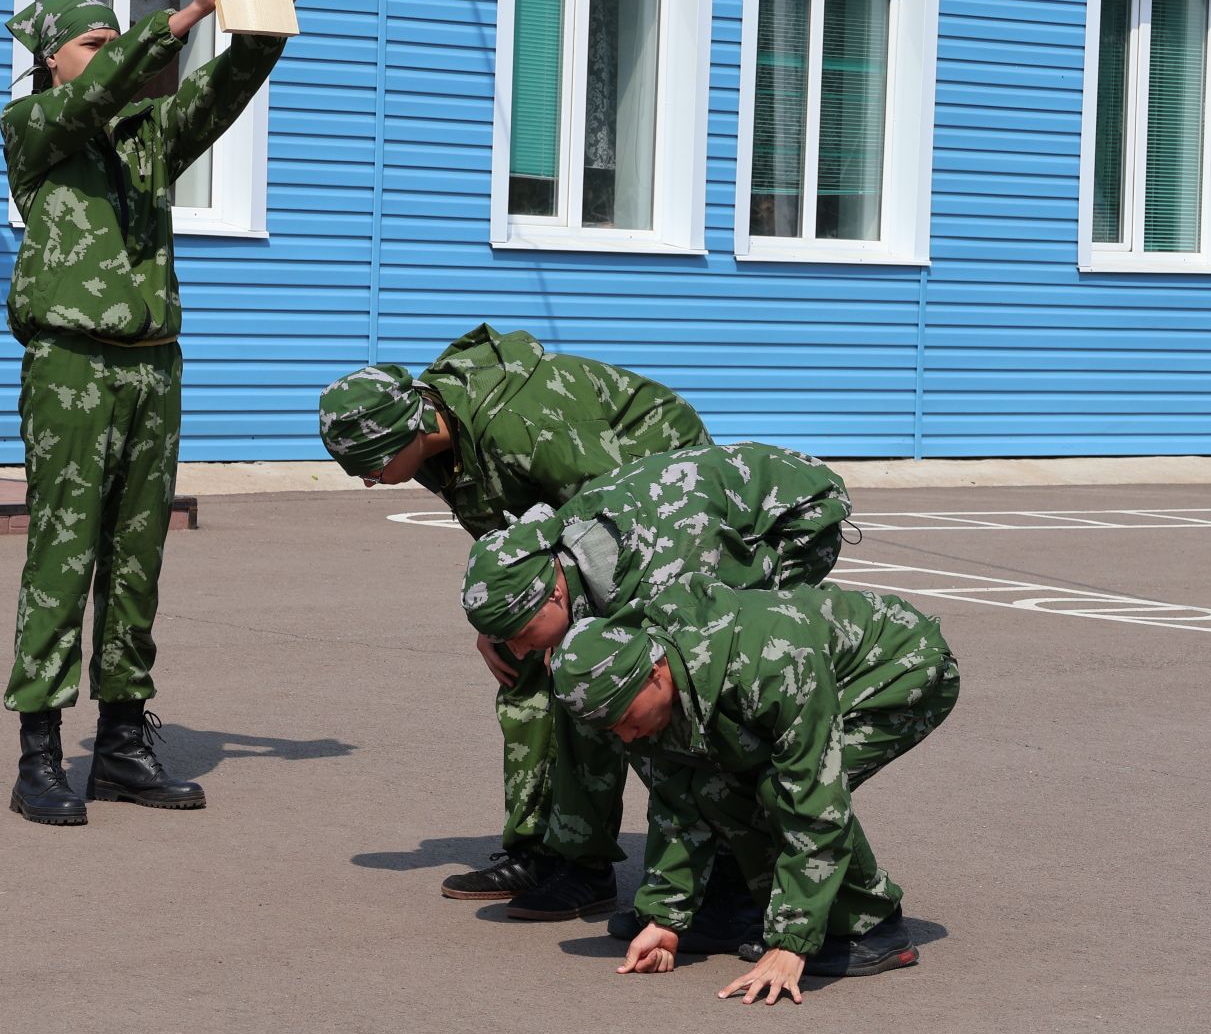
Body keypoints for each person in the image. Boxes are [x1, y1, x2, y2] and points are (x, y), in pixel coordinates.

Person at [2, 0, 305, 826]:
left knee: (137, 561)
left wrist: (257, 11)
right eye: (92, 42)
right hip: (70, 366)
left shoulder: (147, 139)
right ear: (52, 61)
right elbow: (97, 94)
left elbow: (222, 93)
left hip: (151, 362)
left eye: (113, 39)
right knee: (64, 556)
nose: (108, 54)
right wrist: (181, 16)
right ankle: (41, 754)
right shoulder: (33, 130)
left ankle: (125, 742)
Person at [316, 324, 710, 893]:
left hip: (665, 509)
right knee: (521, 666)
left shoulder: (524, 422)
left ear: (413, 427)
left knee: (591, 674)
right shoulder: (434, 441)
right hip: (585, 523)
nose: (372, 482)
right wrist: (499, 617)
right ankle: (537, 851)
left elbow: (613, 515)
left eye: (372, 466)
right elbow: (501, 530)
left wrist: (574, 622)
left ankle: (583, 862)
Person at [458, 441, 852, 925]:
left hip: (795, 519)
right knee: (591, 691)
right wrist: (497, 629)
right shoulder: (553, 556)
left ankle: (737, 880)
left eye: (519, 634)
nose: (517, 650)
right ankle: (585, 864)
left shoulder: (664, 574)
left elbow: (699, 647)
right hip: (697, 519)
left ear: (555, 591)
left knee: (697, 705)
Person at [550, 580, 960, 1005]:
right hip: (815, 674)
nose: (623, 734)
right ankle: (737, 909)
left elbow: (815, 802)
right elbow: (676, 798)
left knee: (779, 790)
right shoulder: (661, 682)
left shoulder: (773, 663)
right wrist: (664, 918)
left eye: (623, 717)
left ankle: (873, 926)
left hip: (901, 669)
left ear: (654, 673)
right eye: (608, 728)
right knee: (715, 783)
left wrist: (791, 943)